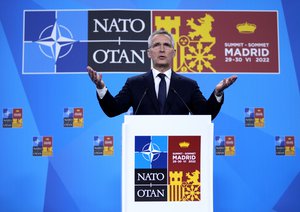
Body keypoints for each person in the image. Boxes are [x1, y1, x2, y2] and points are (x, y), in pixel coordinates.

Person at [87, 29, 237, 120]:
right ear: (149, 53)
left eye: (166, 45)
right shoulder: (135, 84)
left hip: (179, 150)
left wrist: (217, 92)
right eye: (156, 45)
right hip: (144, 150)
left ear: (174, 52)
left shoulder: (188, 85)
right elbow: (113, 110)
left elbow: (205, 115)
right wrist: (101, 88)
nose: (162, 49)